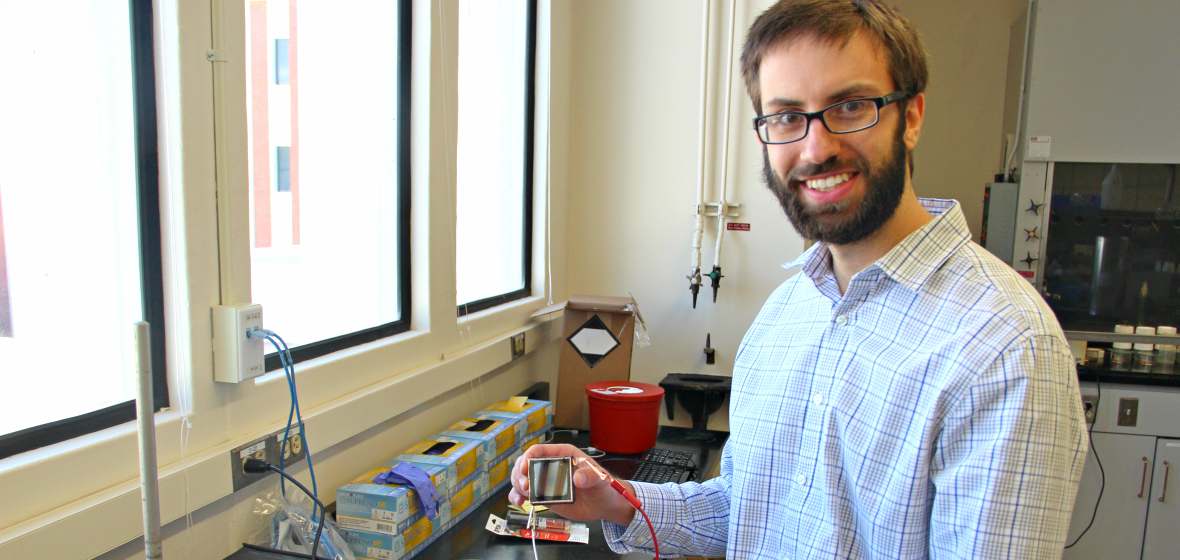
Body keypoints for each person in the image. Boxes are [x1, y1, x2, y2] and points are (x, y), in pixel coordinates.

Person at [511, 0, 1088, 557]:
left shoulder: (1006, 346)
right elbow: (750, 509)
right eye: (787, 116)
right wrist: (618, 502)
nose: (816, 148)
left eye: (851, 106)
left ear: (910, 117)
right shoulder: (790, 309)